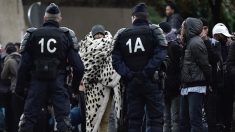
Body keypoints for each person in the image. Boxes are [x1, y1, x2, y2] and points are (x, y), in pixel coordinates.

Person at [15, 3, 84, 132]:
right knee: (64, 121)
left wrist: (20, 90)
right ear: (59, 19)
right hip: (58, 84)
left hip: (36, 84)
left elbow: (23, 66)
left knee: (27, 121)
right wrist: (73, 89)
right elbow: (79, 67)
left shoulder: (32, 35)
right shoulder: (66, 35)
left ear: (44, 18)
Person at [112, 3, 167, 132]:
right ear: (146, 17)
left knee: (134, 120)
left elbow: (116, 60)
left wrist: (129, 74)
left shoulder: (122, 34)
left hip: (132, 84)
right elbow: (161, 54)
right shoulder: (153, 32)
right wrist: (146, 71)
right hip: (151, 82)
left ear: (133, 17)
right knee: (155, 119)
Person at [79, 24, 121, 132]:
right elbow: (84, 66)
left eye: (100, 34)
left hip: (106, 86)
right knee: (92, 119)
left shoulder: (110, 44)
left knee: (106, 117)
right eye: (96, 34)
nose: (98, 36)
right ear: (92, 35)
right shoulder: (85, 46)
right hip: (92, 88)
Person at [180, 18, 212, 132]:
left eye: (184, 27)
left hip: (195, 86)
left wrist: (209, 82)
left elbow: (205, 65)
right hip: (187, 86)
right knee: (184, 121)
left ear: (190, 28)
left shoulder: (196, 42)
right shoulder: (189, 42)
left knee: (195, 121)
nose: (181, 29)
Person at [159, 22, 182, 132]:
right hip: (168, 87)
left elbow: (177, 67)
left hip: (172, 87)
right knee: (168, 119)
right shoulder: (166, 45)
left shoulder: (171, 46)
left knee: (173, 119)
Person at [200, 18, 221, 132]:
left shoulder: (213, 43)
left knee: (210, 115)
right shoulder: (193, 42)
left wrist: (206, 42)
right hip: (197, 82)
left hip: (211, 84)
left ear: (207, 29)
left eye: (204, 28)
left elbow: (215, 59)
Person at [212, 23, 234, 132]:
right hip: (217, 84)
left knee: (227, 111)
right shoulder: (213, 47)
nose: (225, 38)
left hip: (228, 85)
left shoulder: (230, 46)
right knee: (218, 111)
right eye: (222, 36)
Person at [1, 43, 22, 132]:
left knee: (13, 112)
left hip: (14, 89)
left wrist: (10, 76)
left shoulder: (9, 60)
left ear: (6, 51)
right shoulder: (22, 58)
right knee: (20, 112)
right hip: (23, 89)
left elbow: (3, 76)